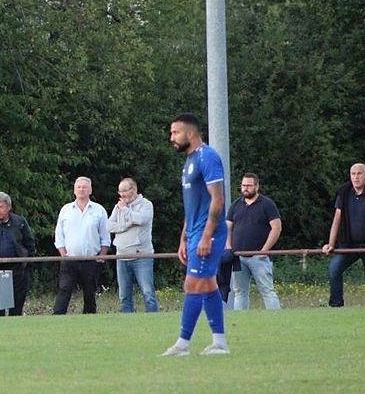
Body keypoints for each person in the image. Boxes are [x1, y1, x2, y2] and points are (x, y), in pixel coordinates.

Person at [161, 113, 230, 356]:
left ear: (190, 133)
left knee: (192, 284)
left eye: (175, 132)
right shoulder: (190, 160)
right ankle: (219, 342)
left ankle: (183, 344)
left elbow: (218, 199)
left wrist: (206, 236)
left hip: (207, 233)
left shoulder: (207, 157)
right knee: (208, 284)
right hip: (194, 233)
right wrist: (184, 237)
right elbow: (192, 205)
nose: (172, 137)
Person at [52, 177, 110, 314]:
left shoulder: (99, 210)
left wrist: (101, 256)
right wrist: (63, 254)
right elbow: (59, 235)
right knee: (64, 289)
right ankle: (57, 317)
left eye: (84, 187)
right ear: (74, 190)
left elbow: (105, 236)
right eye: (78, 187)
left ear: (90, 190)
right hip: (69, 259)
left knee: (90, 292)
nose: (81, 189)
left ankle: (89, 318)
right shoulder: (66, 210)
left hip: (91, 260)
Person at [322, 162, 365, 307]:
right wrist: (331, 244)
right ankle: (336, 305)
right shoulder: (344, 192)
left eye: (359, 174)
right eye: (353, 174)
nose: (356, 177)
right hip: (349, 245)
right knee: (334, 268)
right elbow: (337, 219)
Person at [226, 173, 282, 310]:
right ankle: (240, 320)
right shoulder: (235, 205)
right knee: (239, 292)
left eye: (249, 185)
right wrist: (228, 248)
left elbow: (276, 228)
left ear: (257, 186)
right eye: (243, 185)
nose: (245, 188)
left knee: (267, 291)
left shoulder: (267, 204)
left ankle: (276, 319)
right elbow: (227, 228)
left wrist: (265, 250)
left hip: (259, 256)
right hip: (238, 256)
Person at [108, 178, 158, 313]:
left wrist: (125, 210)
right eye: (120, 191)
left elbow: (141, 219)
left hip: (142, 256)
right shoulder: (118, 207)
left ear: (134, 190)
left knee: (148, 293)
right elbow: (109, 226)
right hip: (121, 256)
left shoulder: (146, 205)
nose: (122, 194)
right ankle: (127, 322)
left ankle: (154, 320)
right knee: (124, 296)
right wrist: (126, 225)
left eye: (125, 191)